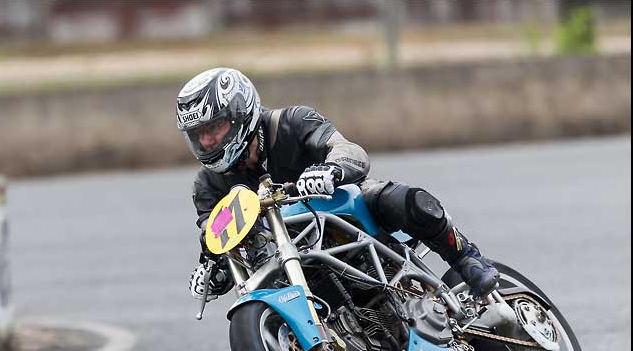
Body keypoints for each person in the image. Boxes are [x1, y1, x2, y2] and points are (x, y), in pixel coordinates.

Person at [177, 67, 499, 302]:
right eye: (199, 135)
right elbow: (213, 235)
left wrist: (331, 171)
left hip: (339, 210)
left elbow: (350, 151)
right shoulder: (208, 185)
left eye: (215, 127)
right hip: (286, 255)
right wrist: (213, 268)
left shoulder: (291, 123)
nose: (207, 140)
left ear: (238, 114)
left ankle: (466, 259)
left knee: (404, 201)